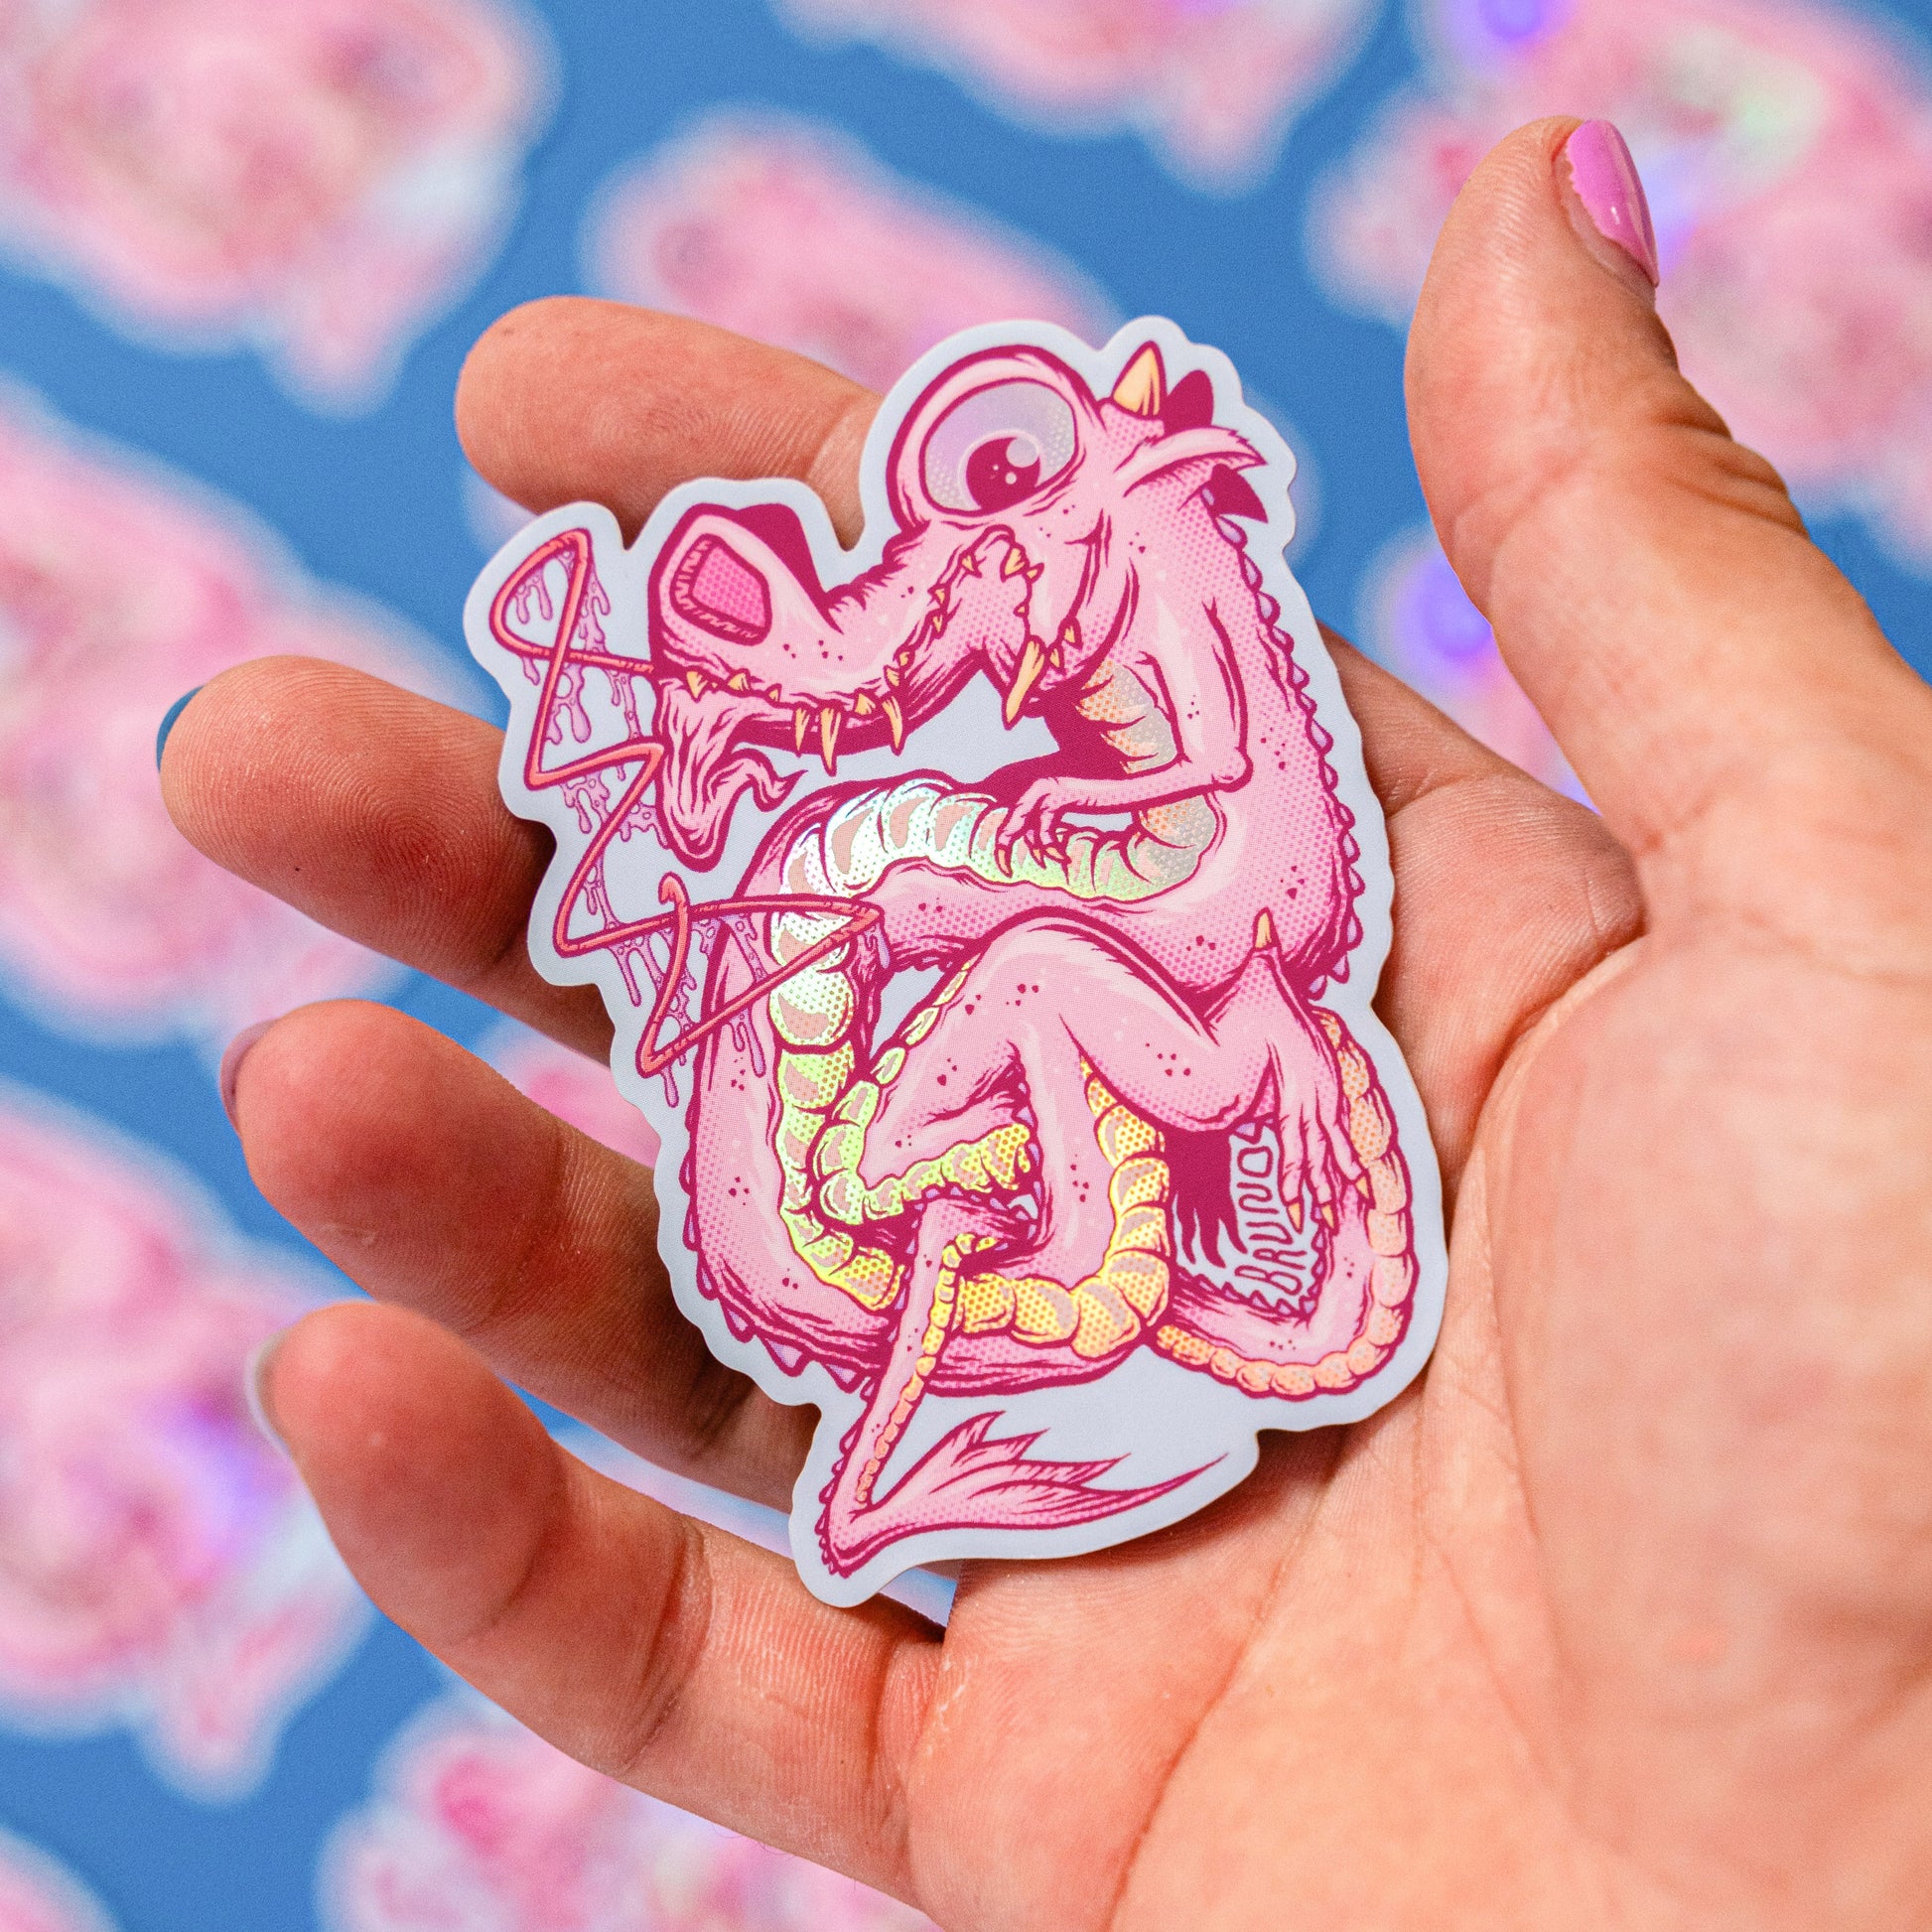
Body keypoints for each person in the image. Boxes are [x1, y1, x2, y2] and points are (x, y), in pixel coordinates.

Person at [157, 119, 1932, 1926]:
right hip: (1156, 963)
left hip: (1211, 960)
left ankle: (1053, 1234)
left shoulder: (1133, 586)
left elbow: (1038, 764)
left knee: (1003, 962)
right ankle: (988, 1237)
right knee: (948, 927)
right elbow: (907, 686)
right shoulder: (1071, 599)